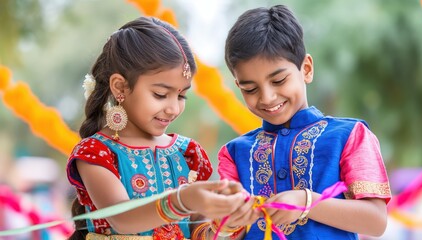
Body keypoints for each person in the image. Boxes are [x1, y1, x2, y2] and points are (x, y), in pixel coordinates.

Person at [217, 5, 392, 240]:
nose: (267, 97)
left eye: (278, 80)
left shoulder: (350, 135)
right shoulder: (234, 152)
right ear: (238, 87)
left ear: (306, 69)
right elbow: (225, 233)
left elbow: (376, 221)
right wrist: (228, 221)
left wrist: (306, 201)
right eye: (251, 88)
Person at [66, 16, 246, 240]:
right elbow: (122, 218)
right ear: (120, 86)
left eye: (181, 95)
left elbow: (201, 232)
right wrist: (182, 200)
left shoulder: (188, 154)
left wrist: (229, 224)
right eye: (160, 95)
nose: (173, 108)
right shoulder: (96, 153)